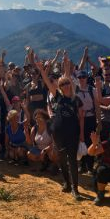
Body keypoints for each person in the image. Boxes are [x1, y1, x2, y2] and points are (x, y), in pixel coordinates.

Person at [38, 57, 84, 200]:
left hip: (73, 133)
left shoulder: (76, 100)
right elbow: (47, 82)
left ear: (70, 84)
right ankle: (67, 183)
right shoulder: (58, 97)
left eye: (67, 83)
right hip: (59, 134)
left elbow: (81, 118)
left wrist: (82, 135)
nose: (65, 86)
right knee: (62, 159)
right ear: (60, 87)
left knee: (72, 161)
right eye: (62, 84)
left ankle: (75, 189)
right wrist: (42, 71)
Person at [75, 70, 97, 174]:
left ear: (87, 78)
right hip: (79, 119)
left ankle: (90, 166)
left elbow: (96, 105)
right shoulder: (75, 89)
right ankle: (82, 165)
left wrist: (99, 120)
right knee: (81, 140)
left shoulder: (92, 90)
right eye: (79, 78)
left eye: (83, 77)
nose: (81, 79)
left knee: (90, 141)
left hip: (90, 118)